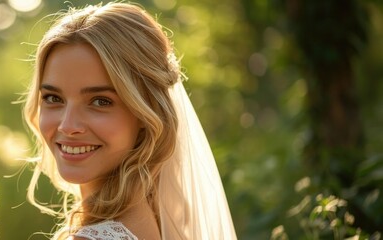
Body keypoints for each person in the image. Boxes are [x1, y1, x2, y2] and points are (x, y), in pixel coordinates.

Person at [21, 2, 237, 239]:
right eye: (53, 98)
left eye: (100, 101)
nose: (67, 126)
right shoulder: (151, 223)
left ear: (145, 112)